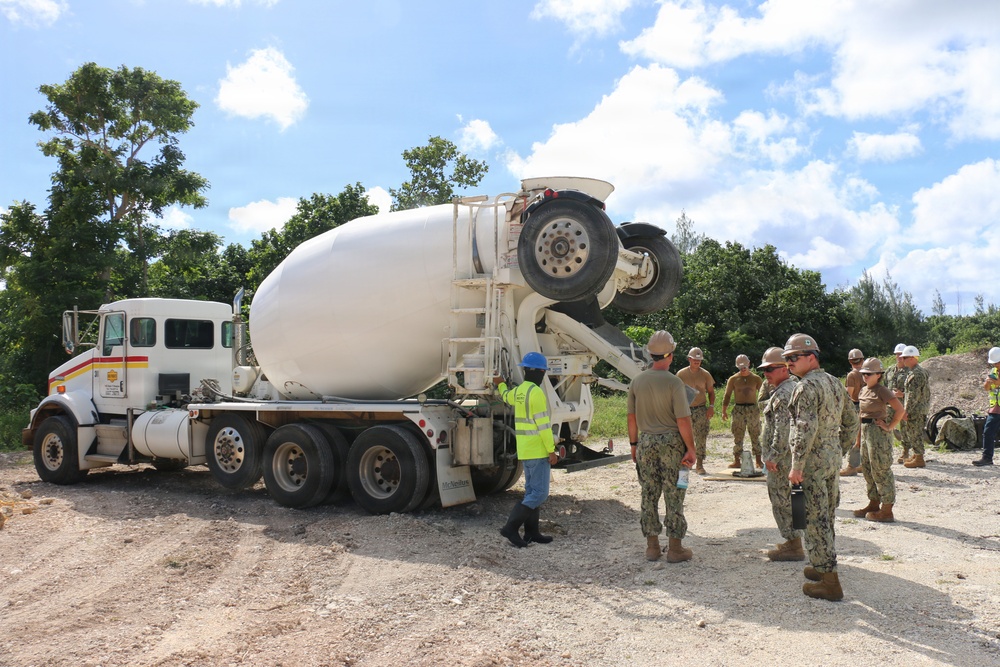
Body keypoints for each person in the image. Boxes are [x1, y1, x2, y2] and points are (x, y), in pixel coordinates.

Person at [783, 333, 859, 601]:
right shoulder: (833, 381)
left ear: (812, 357)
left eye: (794, 357)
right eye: (787, 358)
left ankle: (830, 582)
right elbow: (852, 420)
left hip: (811, 464)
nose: (789, 362)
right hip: (829, 459)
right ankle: (820, 564)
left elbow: (804, 428)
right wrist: (839, 449)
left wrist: (796, 466)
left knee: (814, 519)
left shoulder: (805, 387)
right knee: (826, 514)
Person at [628, 331, 697, 563]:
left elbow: (631, 417)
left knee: (648, 492)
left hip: (646, 442)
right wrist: (691, 449)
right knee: (674, 491)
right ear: (670, 355)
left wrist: (634, 444)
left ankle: (652, 547)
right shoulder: (674, 382)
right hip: (672, 444)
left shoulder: (637, 381)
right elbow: (683, 420)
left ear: (650, 354)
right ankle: (675, 548)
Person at [495, 352, 559, 548]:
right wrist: (551, 450)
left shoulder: (519, 391)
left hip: (525, 450)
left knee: (532, 491)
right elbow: (543, 426)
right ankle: (510, 528)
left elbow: (506, 396)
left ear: (525, 371)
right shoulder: (536, 393)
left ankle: (532, 532)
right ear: (541, 372)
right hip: (538, 450)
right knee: (539, 493)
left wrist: (501, 383)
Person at [758, 347, 803, 561]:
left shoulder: (783, 394)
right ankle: (797, 541)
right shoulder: (791, 388)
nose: (766, 373)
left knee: (781, 499)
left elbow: (782, 429)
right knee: (796, 498)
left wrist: (773, 456)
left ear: (784, 368)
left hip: (782, 460)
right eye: (764, 369)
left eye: (770, 369)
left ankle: (793, 545)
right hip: (791, 457)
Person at [852, 358, 906, 522]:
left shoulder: (882, 390)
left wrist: (889, 427)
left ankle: (887, 509)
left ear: (878, 375)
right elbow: (861, 415)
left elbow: (900, 410)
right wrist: (858, 439)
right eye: (864, 374)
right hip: (865, 431)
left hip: (878, 433)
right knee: (868, 469)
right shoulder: (863, 390)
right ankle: (874, 503)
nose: (865, 376)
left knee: (881, 469)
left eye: (869, 374)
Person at [676, 347, 715, 475]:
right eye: (694, 359)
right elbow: (675, 392)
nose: (697, 361)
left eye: (699, 359)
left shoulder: (705, 374)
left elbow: (711, 392)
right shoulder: (681, 374)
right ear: (689, 359)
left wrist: (711, 407)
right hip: (685, 410)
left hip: (700, 409)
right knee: (683, 436)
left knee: (701, 436)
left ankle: (699, 464)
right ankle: (686, 462)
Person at [722, 354, 764, 469]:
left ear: (749, 364)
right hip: (738, 409)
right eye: (741, 367)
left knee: (755, 434)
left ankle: (758, 460)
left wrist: (765, 408)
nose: (743, 369)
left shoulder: (756, 379)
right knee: (738, 435)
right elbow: (727, 395)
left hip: (753, 409)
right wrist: (724, 411)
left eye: (745, 366)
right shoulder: (733, 379)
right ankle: (737, 460)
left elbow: (763, 394)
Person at [899, 345, 931, 468]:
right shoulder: (916, 371)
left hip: (916, 409)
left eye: (905, 357)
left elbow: (913, 395)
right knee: (913, 432)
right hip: (918, 408)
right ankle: (917, 455)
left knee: (915, 433)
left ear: (912, 358)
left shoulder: (916, 374)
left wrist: (906, 411)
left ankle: (919, 458)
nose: (902, 359)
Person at [839, 349, 865, 476]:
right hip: (867, 406)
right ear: (862, 360)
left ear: (850, 361)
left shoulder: (852, 375)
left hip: (855, 406)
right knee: (863, 436)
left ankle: (852, 466)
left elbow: (849, 394)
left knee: (854, 437)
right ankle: (862, 464)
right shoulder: (868, 372)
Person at [973, 346, 1000, 466]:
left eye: (997, 362)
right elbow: (986, 388)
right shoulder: (993, 372)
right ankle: (987, 458)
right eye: (994, 363)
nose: (995, 365)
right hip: (995, 408)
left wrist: (998, 383)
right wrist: (988, 383)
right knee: (988, 431)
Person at [885, 343, 911, 463]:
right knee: (886, 426)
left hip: (904, 405)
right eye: (897, 354)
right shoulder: (890, 370)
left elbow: (915, 391)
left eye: (901, 354)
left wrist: (903, 394)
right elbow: (885, 386)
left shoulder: (910, 371)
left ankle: (906, 452)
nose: (899, 357)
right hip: (890, 405)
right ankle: (886, 450)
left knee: (905, 429)